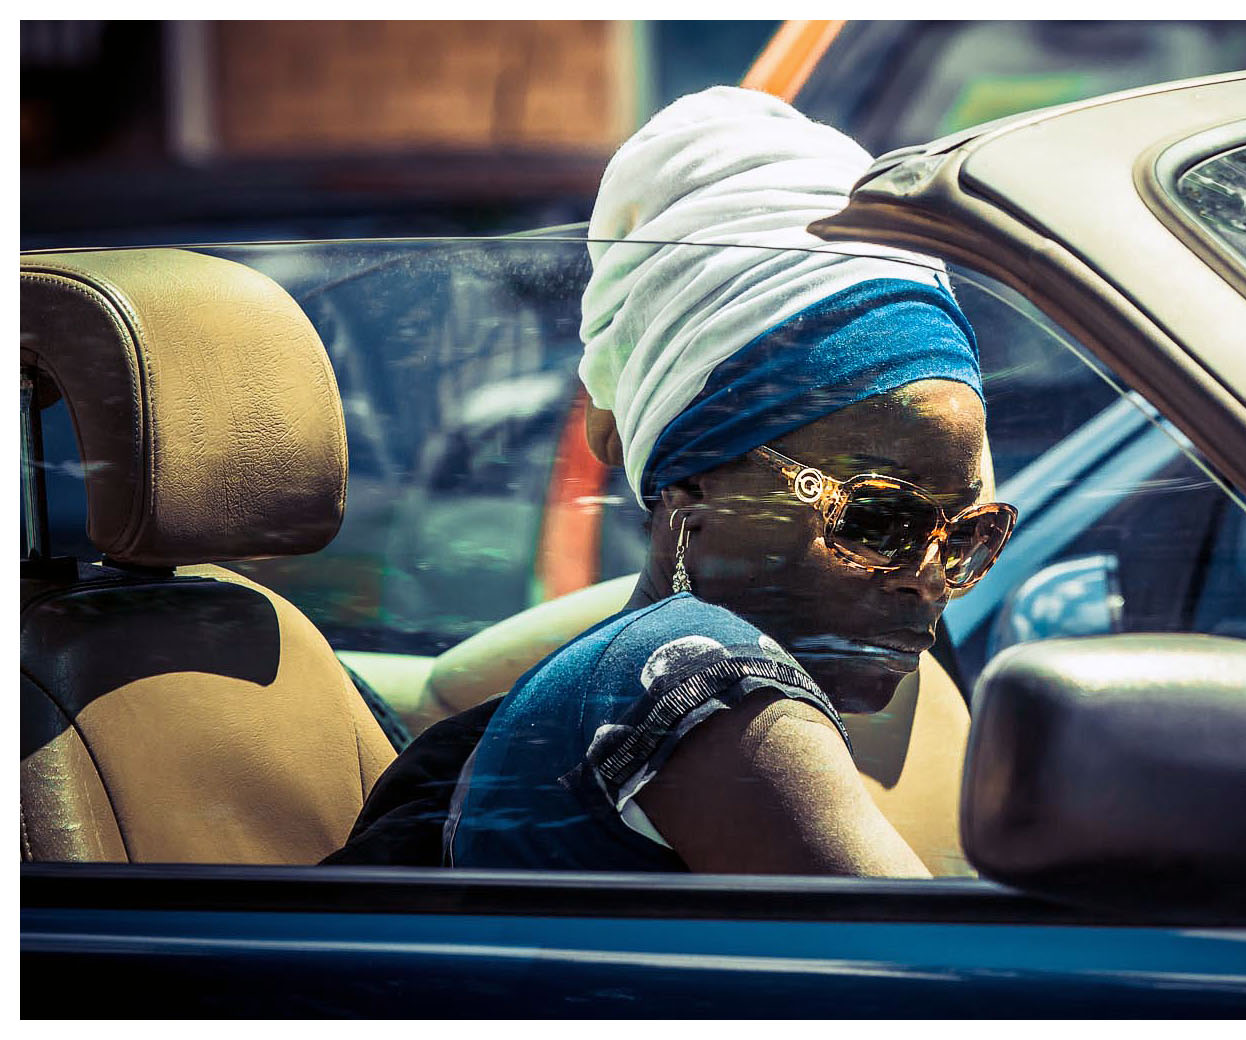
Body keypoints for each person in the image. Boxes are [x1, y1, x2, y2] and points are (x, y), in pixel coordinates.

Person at [327, 86, 1016, 875]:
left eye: (968, 536)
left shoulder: (743, 676)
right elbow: (923, 955)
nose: (931, 579)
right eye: (877, 519)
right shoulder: (698, 679)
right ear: (693, 501)